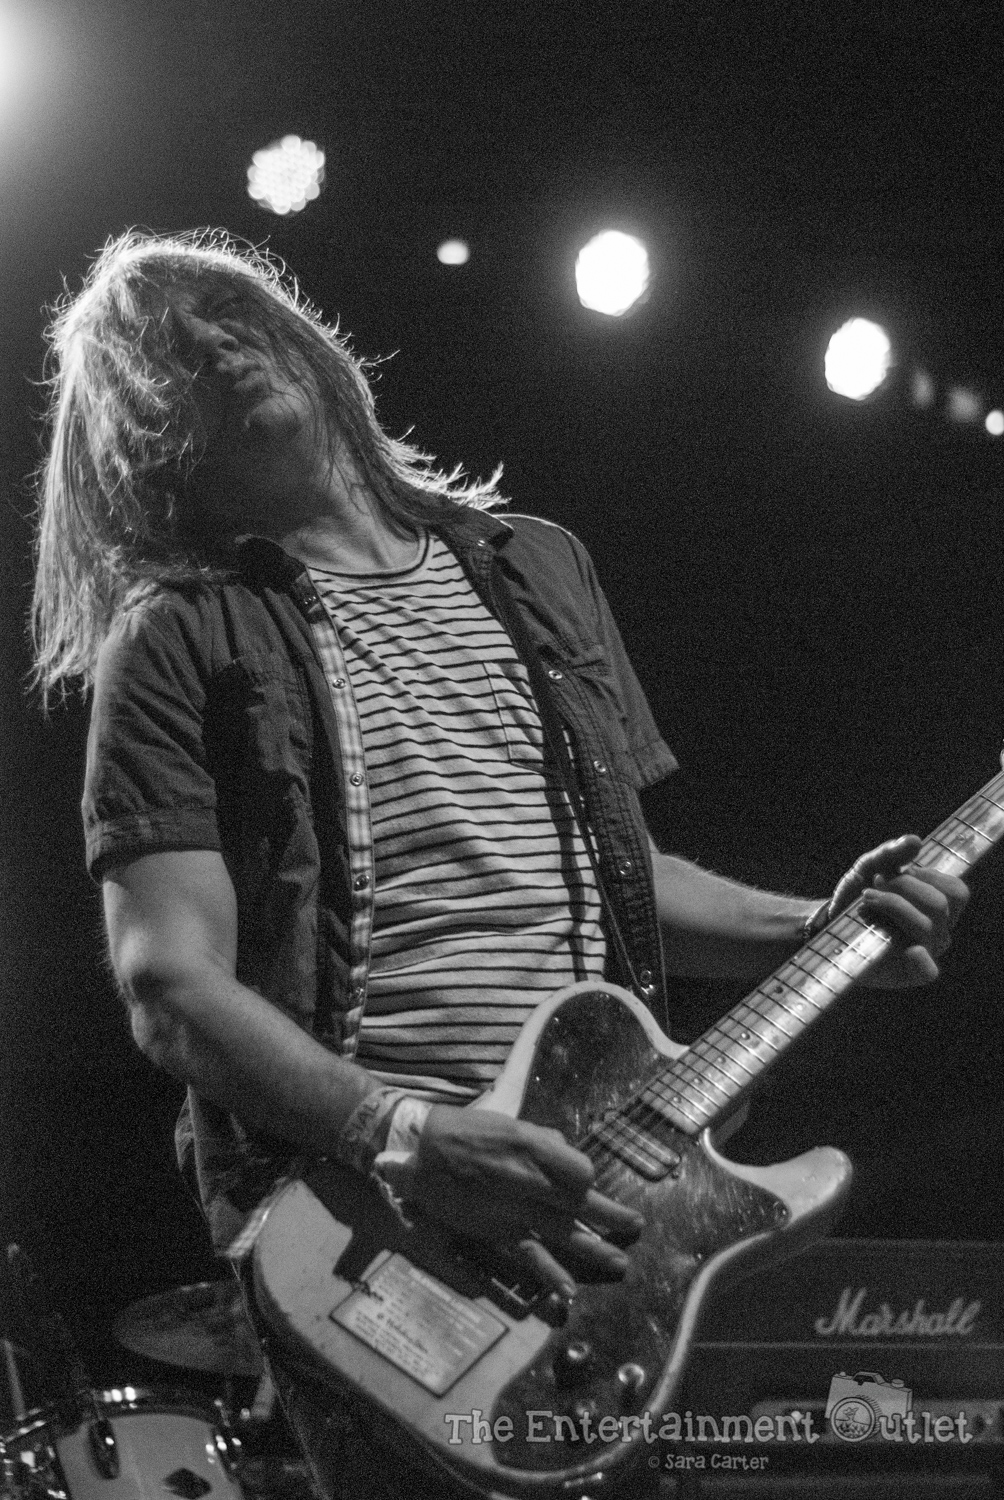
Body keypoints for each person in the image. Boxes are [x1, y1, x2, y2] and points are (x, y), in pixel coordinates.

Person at [32, 230, 967, 1500]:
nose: (212, 348)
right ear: (140, 449)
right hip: (373, 1218)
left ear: (309, 347)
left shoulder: (537, 566)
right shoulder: (176, 638)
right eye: (170, 359)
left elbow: (629, 878)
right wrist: (404, 1135)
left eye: (229, 317)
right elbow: (168, 985)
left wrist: (822, 926)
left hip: (602, 1194)